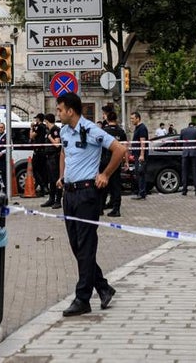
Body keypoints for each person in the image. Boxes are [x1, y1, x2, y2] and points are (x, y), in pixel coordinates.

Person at [54, 91, 126, 317]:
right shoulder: (65, 130)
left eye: (60, 109)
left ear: (70, 111)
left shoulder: (91, 130)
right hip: (70, 194)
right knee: (77, 246)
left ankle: (82, 298)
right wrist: (62, 176)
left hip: (87, 194)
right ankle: (103, 288)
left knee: (86, 246)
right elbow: (64, 153)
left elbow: (120, 150)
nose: (58, 113)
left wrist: (105, 174)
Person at [100, 105, 128, 217]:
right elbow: (125, 148)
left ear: (107, 118)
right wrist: (125, 161)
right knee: (116, 186)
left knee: (102, 184)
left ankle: (100, 208)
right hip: (116, 162)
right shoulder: (121, 131)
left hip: (105, 161)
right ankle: (116, 209)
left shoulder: (104, 131)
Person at [179, 121, 196, 195]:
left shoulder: (183, 131)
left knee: (184, 172)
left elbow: (181, 140)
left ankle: (184, 190)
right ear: (194, 125)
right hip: (195, 153)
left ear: (188, 125)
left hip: (185, 153)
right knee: (195, 172)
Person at [42, 113, 62, 208]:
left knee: (56, 179)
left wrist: (50, 138)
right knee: (51, 180)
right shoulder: (49, 130)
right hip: (49, 157)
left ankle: (58, 200)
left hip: (55, 157)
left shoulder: (55, 130)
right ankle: (51, 198)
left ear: (47, 121)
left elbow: (57, 144)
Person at [130, 111, 149, 200]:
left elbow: (143, 142)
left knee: (141, 173)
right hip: (137, 154)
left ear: (138, 118)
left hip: (140, 155)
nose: (131, 120)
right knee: (138, 173)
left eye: (133, 118)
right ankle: (140, 192)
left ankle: (142, 193)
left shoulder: (142, 128)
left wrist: (142, 155)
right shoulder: (137, 128)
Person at [31, 113, 48, 196]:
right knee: (42, 171)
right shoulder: (45, 127)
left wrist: (31, 128)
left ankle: (43, 186)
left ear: (38, 119)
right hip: (44, 151)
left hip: (38, 152)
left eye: (36, 119)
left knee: (35, 169)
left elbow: (32, 136)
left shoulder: (39, 127)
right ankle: (43, 188)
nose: (35, 120)